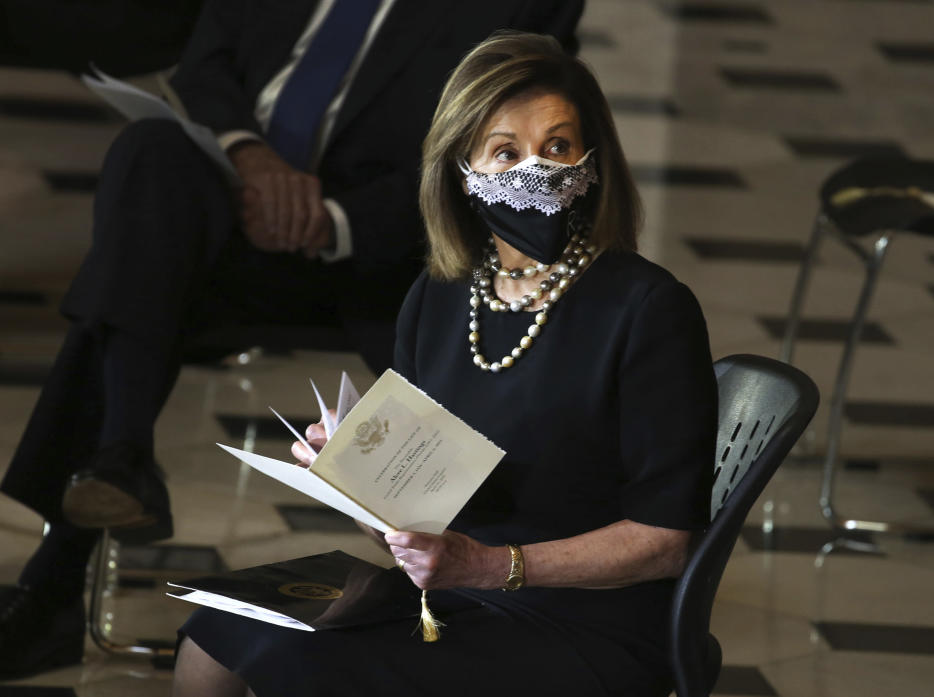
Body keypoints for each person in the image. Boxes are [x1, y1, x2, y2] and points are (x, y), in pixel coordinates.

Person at [0, 0, 583, 680]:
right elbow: (205, 63)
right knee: (147, 169)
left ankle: (60, 573)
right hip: (238, 216)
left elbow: (501, 155)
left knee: (127, 299)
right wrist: (250, 159)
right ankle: (118, 462)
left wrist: (330, 218)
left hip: (398, 260)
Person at [172, 32, 718, 697]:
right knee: (217, 631)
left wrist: (490, 565)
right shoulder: (438, 296)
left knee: (302, 670)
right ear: (462, 172)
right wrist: (353, 480)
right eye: (505, 152)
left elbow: (667, 542)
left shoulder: (649, 308)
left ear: (593, 162)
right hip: (452, 592)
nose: (535, 170)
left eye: (557, 146)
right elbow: (414, 528)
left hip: (586, 618)